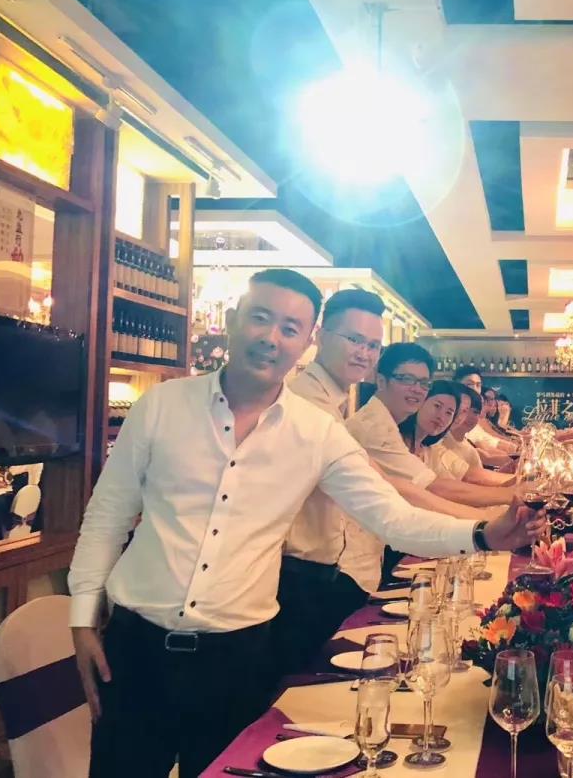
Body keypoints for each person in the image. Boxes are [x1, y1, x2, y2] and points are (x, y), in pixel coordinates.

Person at [69, 269, 542, 778]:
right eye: (260, 318)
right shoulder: (162, 405)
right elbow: (107, 514)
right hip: (135, 648)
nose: (271, 338)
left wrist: (482, 535)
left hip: (237, 656)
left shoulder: (317, 432)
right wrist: (82, 617)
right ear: (233, 320)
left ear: (306, 340)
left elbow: (391, 516)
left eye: (290, 328)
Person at [273, 288, 386, 678]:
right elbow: (378, 487)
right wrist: (479, 531)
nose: (364, 353)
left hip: (317, 574)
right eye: (354, 339)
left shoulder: (330, 401)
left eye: (373, 345)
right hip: (295, 578)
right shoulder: (307, 403)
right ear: (319, 336)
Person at [350, 345, 517, 508]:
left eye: (423, 383)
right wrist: (512, 495)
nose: (417, 389)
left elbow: (462, 475)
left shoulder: (422, 441)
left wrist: (515, 485)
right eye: (407, 379)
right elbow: (433, 488)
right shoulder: (374, 428)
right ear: (381, 381)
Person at [441, 386, 516, 485]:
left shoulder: (468, 447)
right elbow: (466, 481)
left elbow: (475, 480)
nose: (470, 417)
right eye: (464, 410)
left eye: (476, 412)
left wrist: (504, 472)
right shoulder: (439, 443)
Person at [454, 366, 518, 454]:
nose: (475, 389)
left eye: (478, 385)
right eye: (469, 384)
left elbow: (485, 444)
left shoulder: (476, 417)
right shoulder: (454, 413)